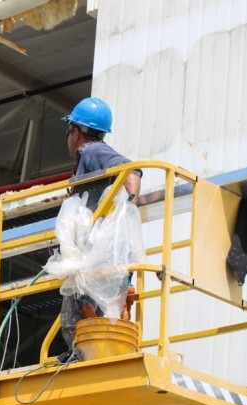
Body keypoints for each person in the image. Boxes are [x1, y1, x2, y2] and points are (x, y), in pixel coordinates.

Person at [59, 97, 142, 351]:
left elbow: (132, 172)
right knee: (98, 313)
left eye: (69, 130)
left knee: (73, 320)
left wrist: (128, 205)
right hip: (102, 255)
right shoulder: (89, 159)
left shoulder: (94, 151)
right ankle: (95, 352)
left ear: (76, 132)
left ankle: (84, 357)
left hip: (101, 256)